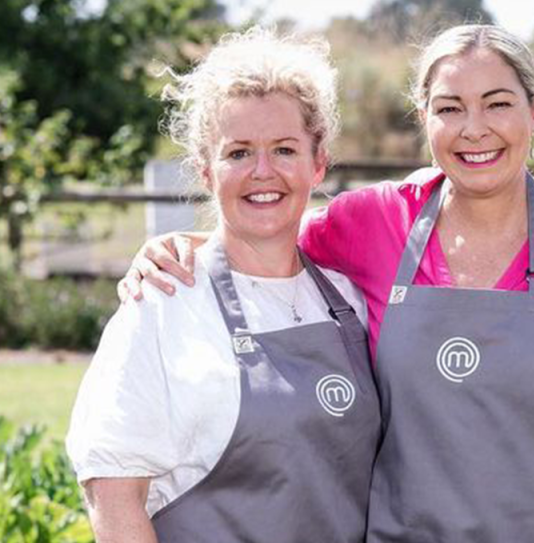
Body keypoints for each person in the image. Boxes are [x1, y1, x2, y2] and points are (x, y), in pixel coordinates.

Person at [120, 25, 534, 542]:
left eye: (498, 104)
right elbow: (269, 229)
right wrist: (183, 245)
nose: (474, 128)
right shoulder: (373, 223)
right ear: (424, 118)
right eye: (450, 108)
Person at [66, 29, 387, 543]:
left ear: (318, 163)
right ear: (205, 170)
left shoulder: (350, 301)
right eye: (238, 153)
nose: (263, 173)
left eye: (285, 149)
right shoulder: (163, 302)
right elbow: (113, 494)